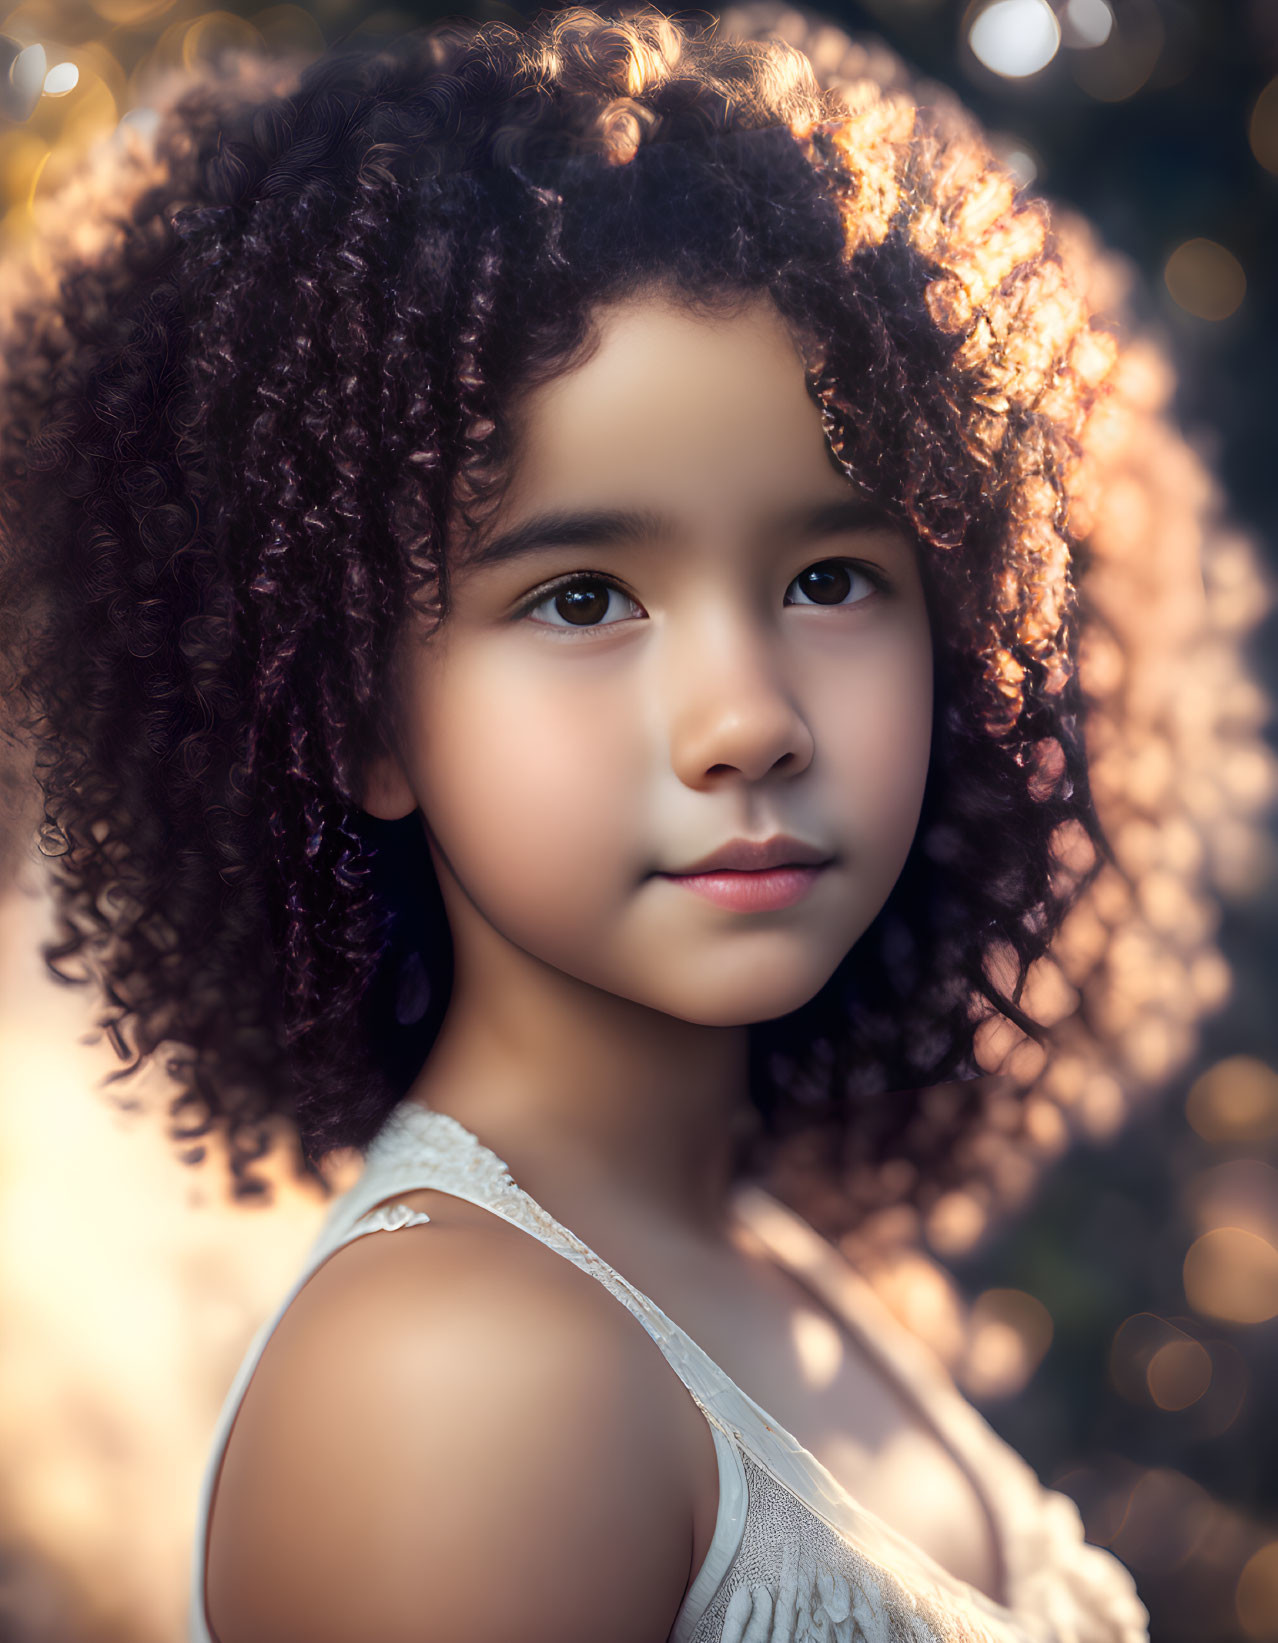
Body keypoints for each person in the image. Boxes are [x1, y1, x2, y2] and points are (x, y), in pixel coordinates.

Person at [3, 3, 1257, 1638]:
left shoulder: (764, 1259)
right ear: (359, 715)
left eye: (829, 579)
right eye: (583, 595)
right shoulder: (459, 1385)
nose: (748, 719)